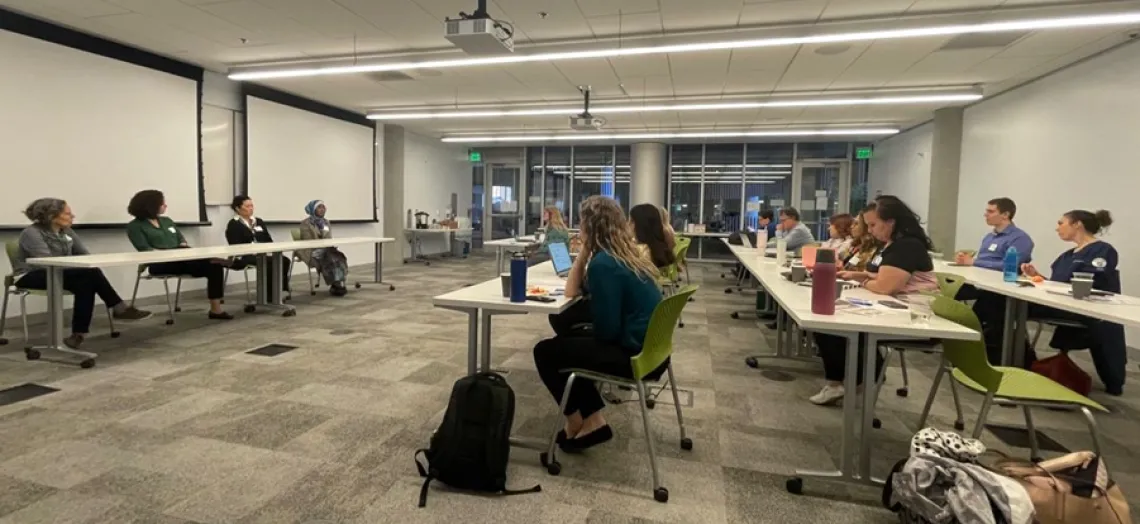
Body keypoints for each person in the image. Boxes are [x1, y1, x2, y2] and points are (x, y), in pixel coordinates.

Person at [533, 196, 664, 451]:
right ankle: (593, 420)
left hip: (633, 355)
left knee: (545, 352)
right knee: (567, 342)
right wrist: (584, 253)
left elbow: (606, 331)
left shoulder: (604, 264)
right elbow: (573, 292)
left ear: (590, 228)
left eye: (582, 224)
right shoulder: (624, 255)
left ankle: (577, 422)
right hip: (651, 350)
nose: (578, 229)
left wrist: (585, 254)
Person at [809, 196, 938, 405]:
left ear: (891, 222)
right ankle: (851, 379)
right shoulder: (891, 245)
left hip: (916, 316)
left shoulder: (906, 246)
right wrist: (859, 276)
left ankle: (855, 380)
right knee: (828, 322)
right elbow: (876, 275)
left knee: (832, 324)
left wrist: (864, 282)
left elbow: (885, 286)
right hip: (898, 306)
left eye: (873, 225)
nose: (870, 230)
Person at [12, 199, 151, 348]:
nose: (73, 216)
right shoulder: (31, 233)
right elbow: (46, 262)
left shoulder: (67, 231)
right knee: (90, 275)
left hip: (61, 273)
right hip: (31, 275)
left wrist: (78, 264)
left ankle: (78, 335)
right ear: (52, 216)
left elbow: (84, 254)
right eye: (67, 213)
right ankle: (118, 308)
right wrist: (76, 265)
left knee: (86, 283)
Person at [1020, 210, 1125, 395]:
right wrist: (1036, 276)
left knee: (1011, 307)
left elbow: (1090, 283)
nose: (1057, 228)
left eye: (1061, 223)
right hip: (1060, 304)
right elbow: (1057, 285)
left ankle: (1020, 361)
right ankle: (1021, 359)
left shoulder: (1103, 251)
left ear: (1077, 224)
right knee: (1005, 303)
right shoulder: (1067, 256)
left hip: (1084, 310)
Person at [126, 190, 232, 319]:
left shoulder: (166, 221)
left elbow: (180, 238)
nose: (165, 205)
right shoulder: (135, 226)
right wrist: (172, 253)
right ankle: (223, 261)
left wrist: (182, 245)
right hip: (159, 263)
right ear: (151, 205)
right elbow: (145, 250)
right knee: (209, 261)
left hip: (182, 258)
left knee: (214, 267)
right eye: (162, 203)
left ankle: (216, 310)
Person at [224, 195, 291, 302]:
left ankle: (281, 289)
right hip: (244, 256)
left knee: (284, 260)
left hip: (263, 253)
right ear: (238, 208)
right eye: (247, 206)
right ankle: (269, 295)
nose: (251, 208)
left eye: (252, 205)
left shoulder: (258, 221)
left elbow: (268, 240)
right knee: (269, 262)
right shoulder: (234, 224)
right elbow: (235, 244)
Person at [956, 198, 1034, 270]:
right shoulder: (989, 237)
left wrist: (973, 262)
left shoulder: (1020, 238)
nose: (985, 214)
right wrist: (964, 260)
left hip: (1000, 282)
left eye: (990, 212)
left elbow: (1008, 266)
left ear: (1005, 215)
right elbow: (981, 261)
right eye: (986, 211)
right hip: (978, 278)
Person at [297, 200, 350, 296]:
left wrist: (323, 230)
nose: (322, 210)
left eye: (323, 207)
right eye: (319, 207)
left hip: (325, 249)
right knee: (330, 257)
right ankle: (336, 284)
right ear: (312, 209)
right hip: (311, 251)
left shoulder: (326, 222)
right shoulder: (305, 224)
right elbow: (308, 241)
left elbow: (328, 238)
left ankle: (337, 282)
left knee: (338, 257)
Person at [630, 203, 677, 270]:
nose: (628, 223)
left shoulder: (640, 251)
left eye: (631, 221)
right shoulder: (658, 248)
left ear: (640, 225)